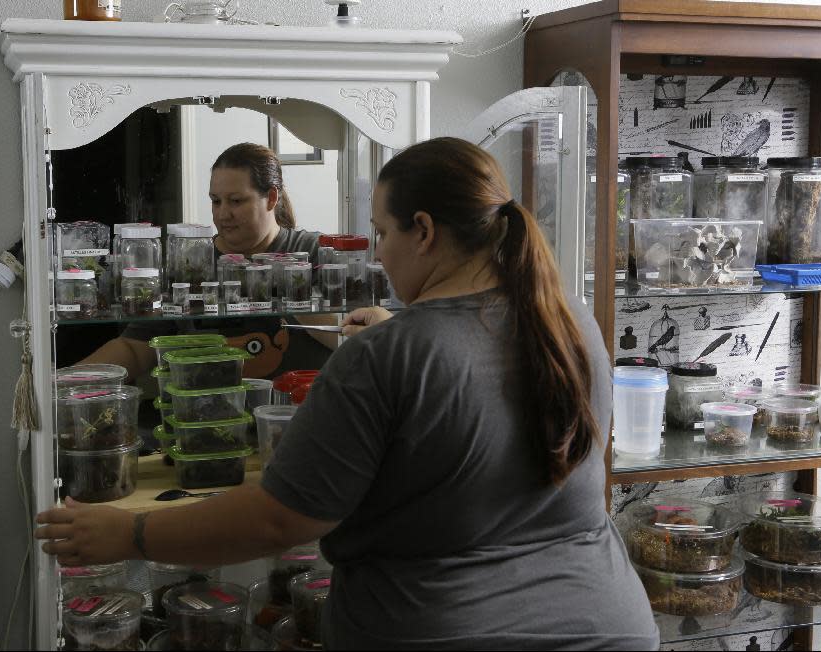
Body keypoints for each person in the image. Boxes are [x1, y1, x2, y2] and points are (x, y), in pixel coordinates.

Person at [37, 137, 660, 650]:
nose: (379, 257)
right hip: (609, 623)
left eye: (381, 234)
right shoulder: (569, 318)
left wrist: (130, 534)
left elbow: (278, 519)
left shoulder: (387, 353)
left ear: (422, 231)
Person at [78, 142, 336, 380]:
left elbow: (351, 336)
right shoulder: (188, 265)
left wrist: (291, 285)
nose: (223, 214)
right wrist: (62, 383)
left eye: (236, 201)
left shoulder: (314, 251)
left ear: (271, 198)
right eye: (215, 201)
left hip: (298, 416)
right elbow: (135, 347)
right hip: (205, 416)